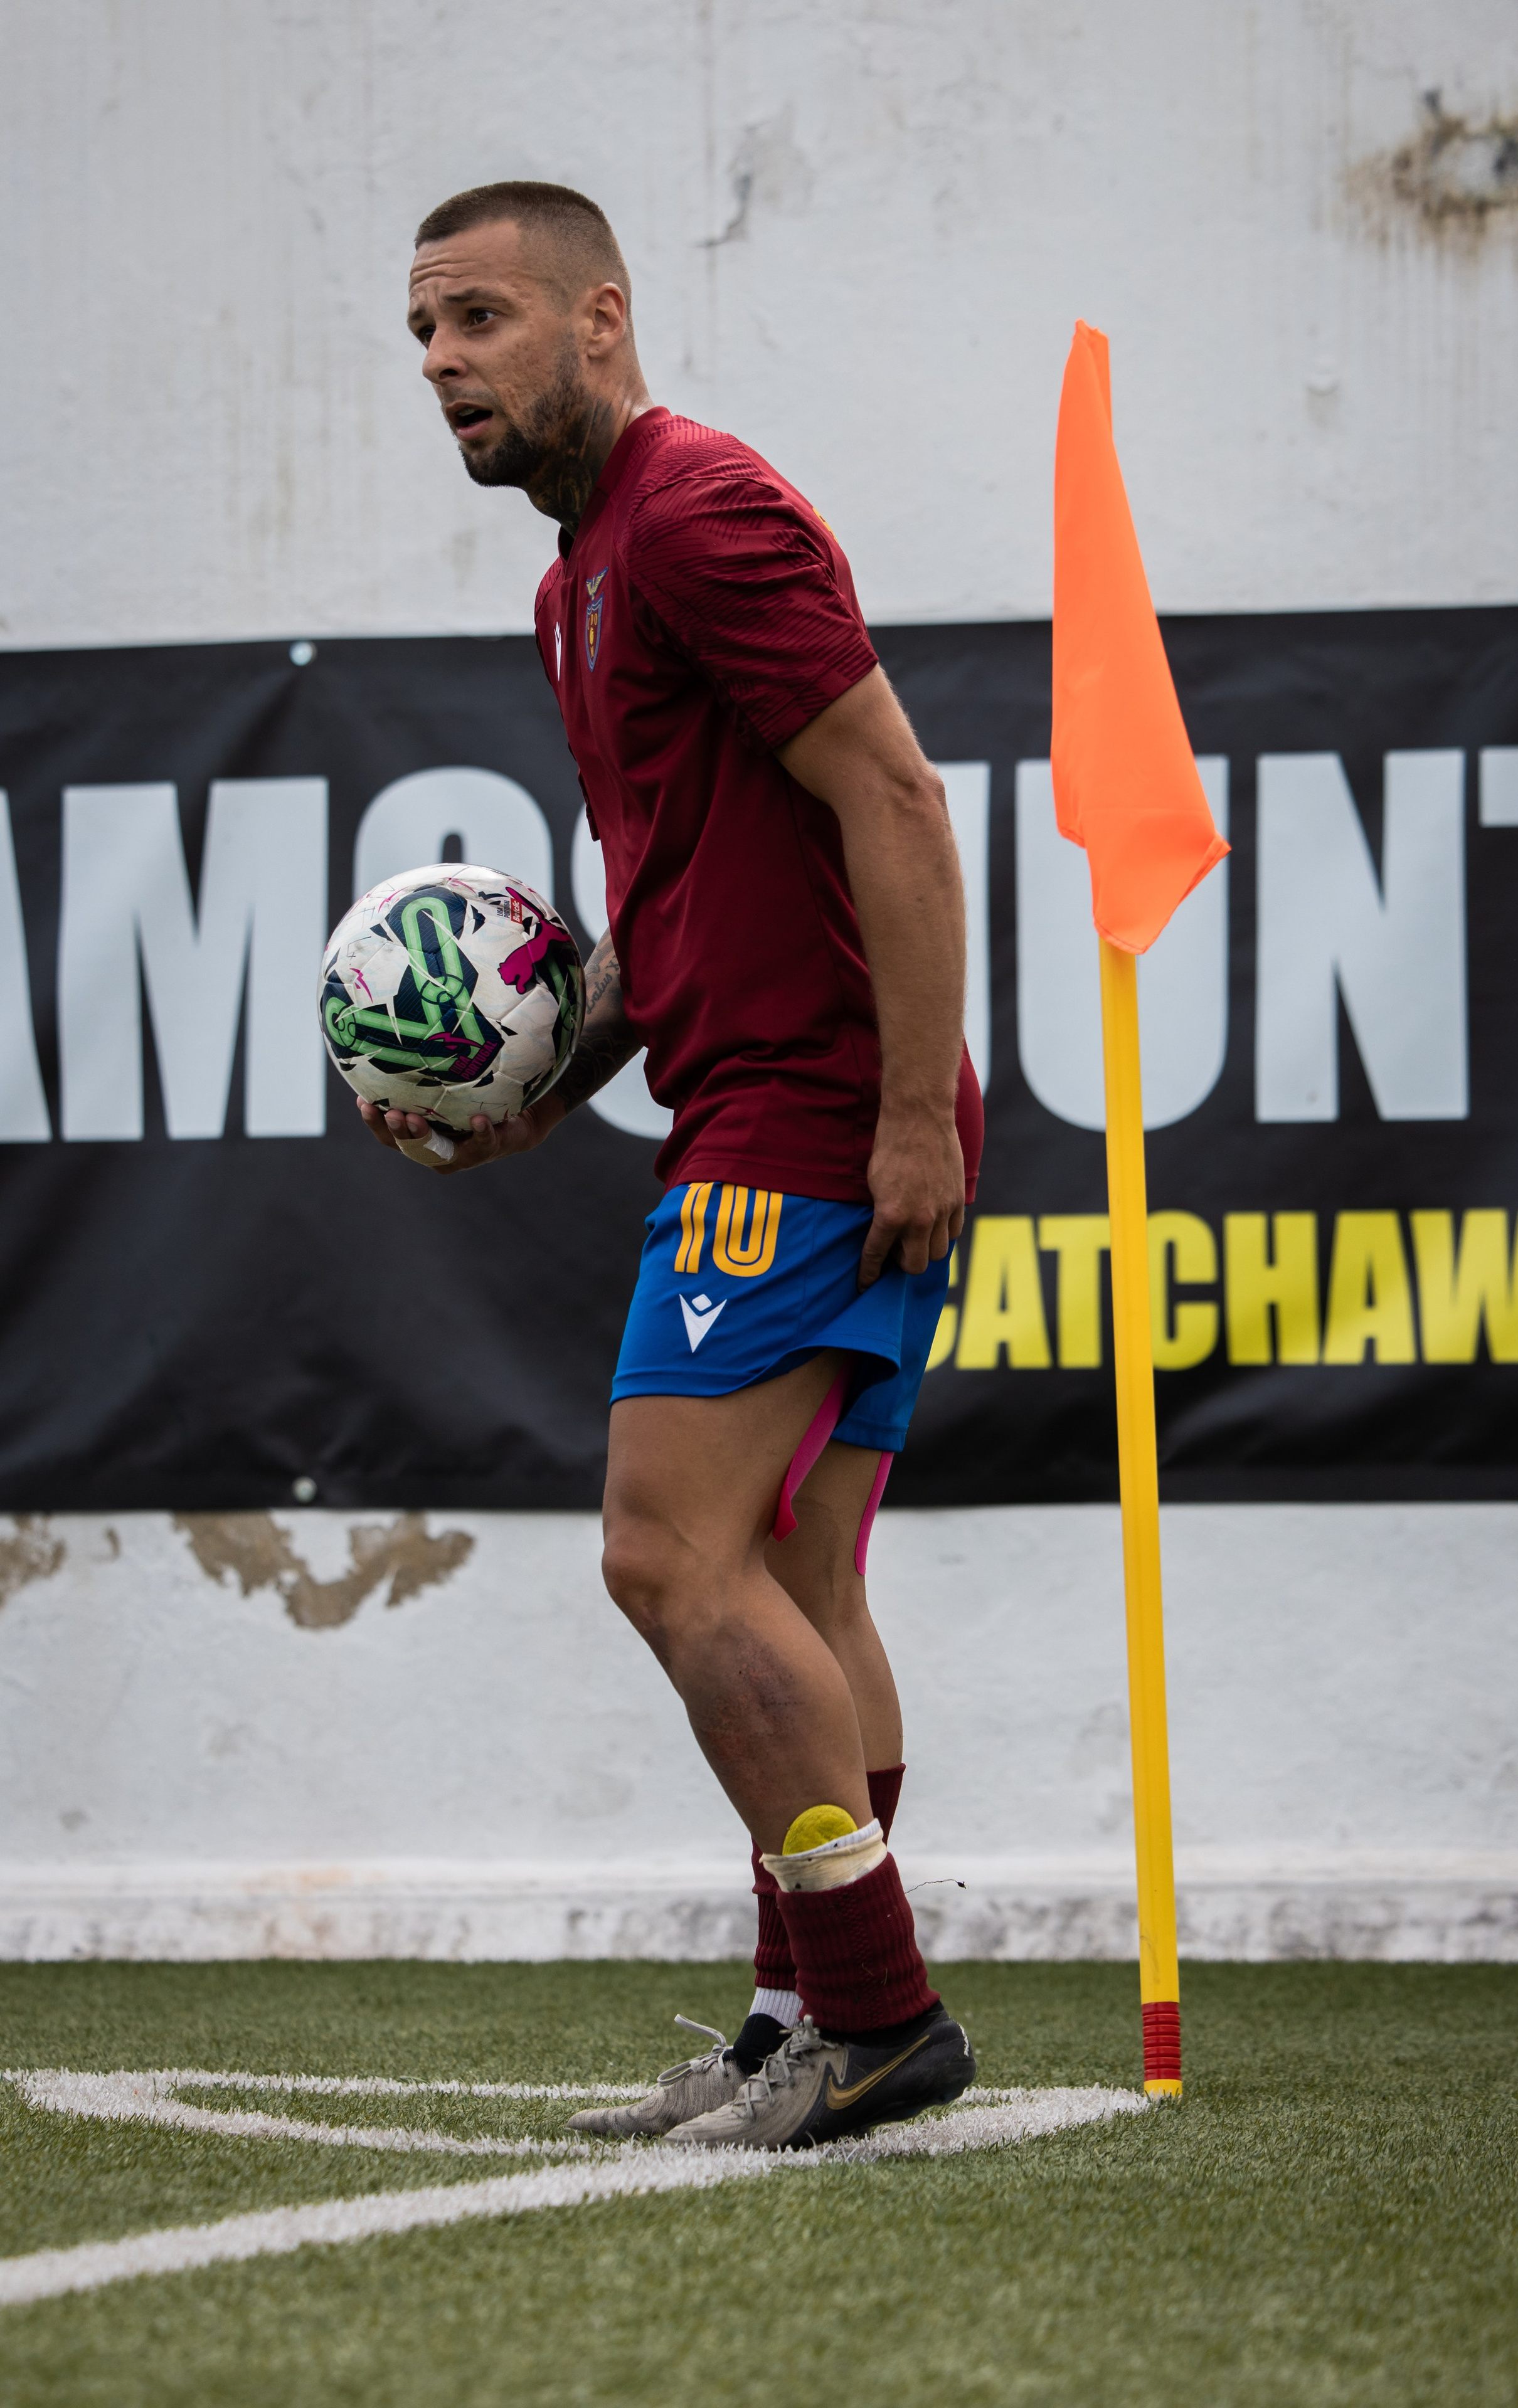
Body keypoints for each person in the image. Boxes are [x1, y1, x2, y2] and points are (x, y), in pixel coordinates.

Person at [364, 180, 984, 2150]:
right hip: (768, 1091)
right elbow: (683, 898)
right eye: (423, 337)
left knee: (665, 1553)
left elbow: (891, 790)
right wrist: (546, 1094)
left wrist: (900, 1112)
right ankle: (798, 2015)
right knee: (797, 1576)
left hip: (806, 1114)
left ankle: (879, 2022)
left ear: (601, 317)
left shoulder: (701, 511)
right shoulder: (577, 580)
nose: (445, 365)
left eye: (477, 320)